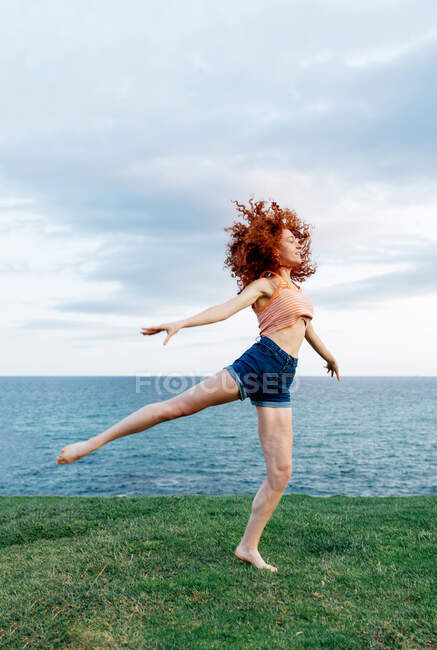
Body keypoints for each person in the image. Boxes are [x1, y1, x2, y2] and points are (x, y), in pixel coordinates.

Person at [56, 198, 340, 573]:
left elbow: (306, 327)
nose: (298, 244)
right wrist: (181, 323)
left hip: (280, 378)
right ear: (271, 247)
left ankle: (248, 547)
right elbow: (225, 308)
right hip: (259, 364)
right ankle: (88, 444)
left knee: (281, 472)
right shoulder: (265, 283)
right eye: (291, 239)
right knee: (176, 408)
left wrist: (328, 356)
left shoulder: (297, 290)